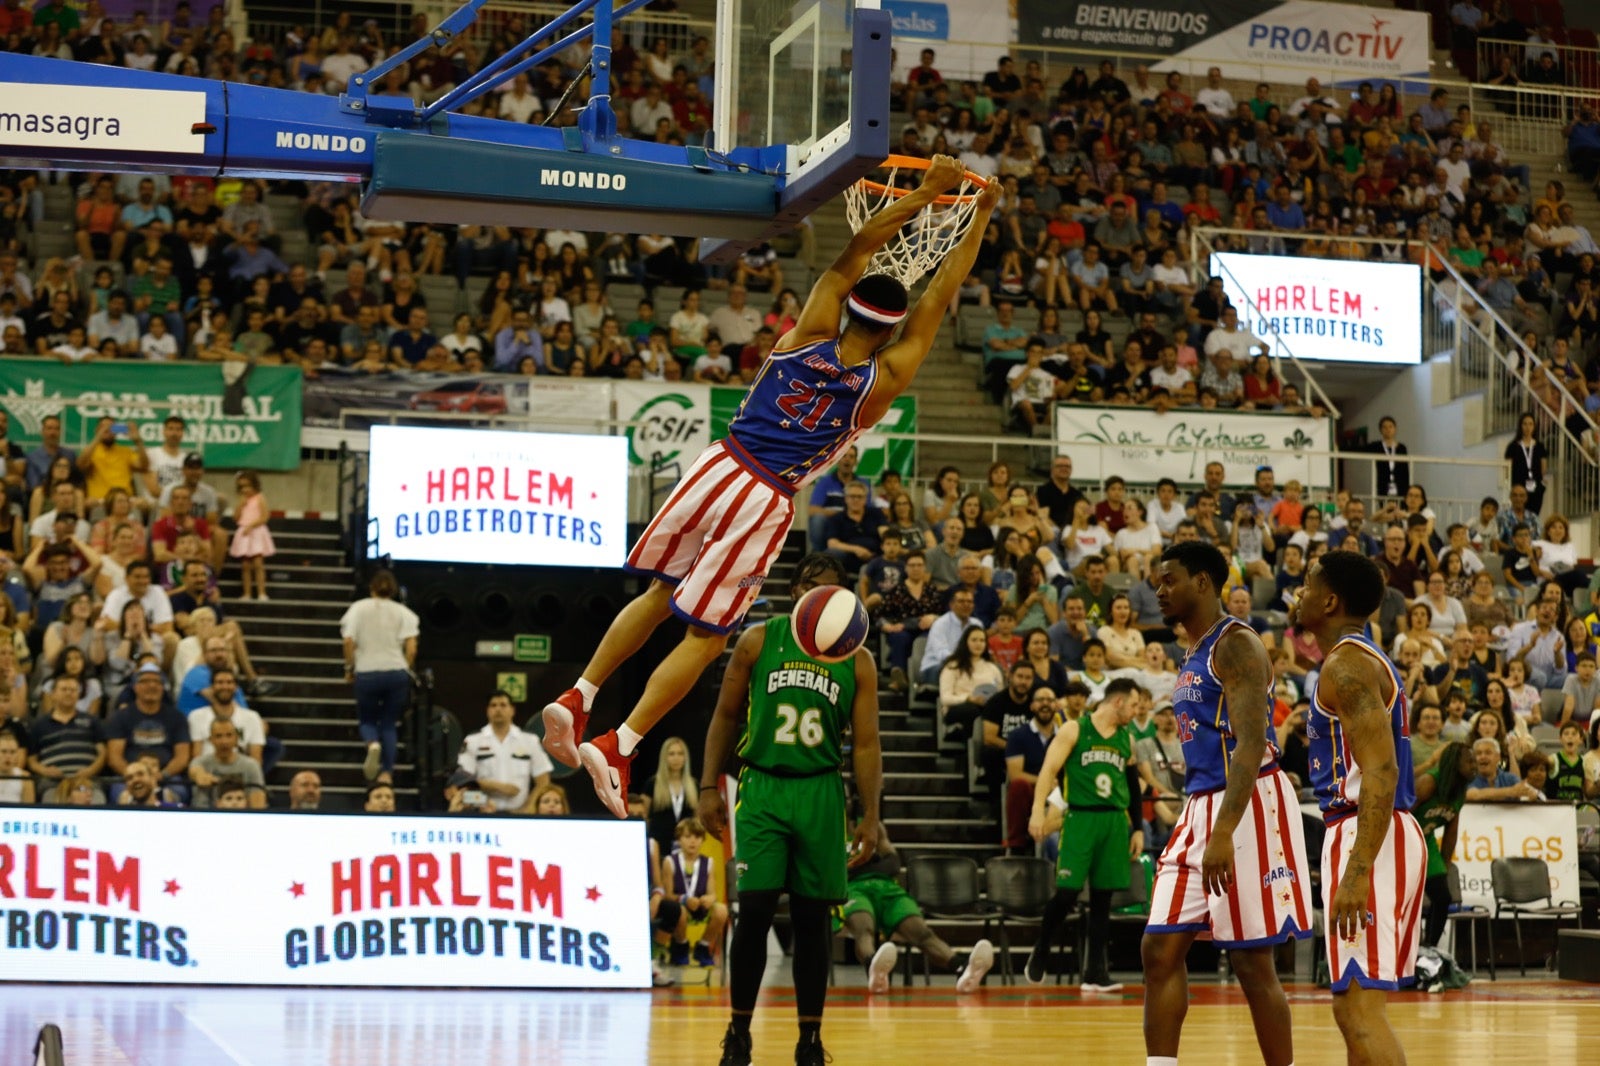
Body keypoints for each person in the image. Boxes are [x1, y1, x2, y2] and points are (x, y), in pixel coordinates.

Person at [542, 157, 1001, 819]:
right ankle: (621, 742)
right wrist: (975, 214)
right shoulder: (882, 381)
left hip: (718, 463)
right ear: (891, 331)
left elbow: (861, 247)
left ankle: (579, 695)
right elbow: (937, 296)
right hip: (764, 494)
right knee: (703, 637)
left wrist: (925, 195)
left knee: (659, 592)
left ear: (846, 305)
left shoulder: (809, 328)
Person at [698, 555, 883, 1066]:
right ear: (798, 590)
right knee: (753, 911)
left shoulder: (857, 658)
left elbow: (867, 746)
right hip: (763, 787)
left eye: (834, 589)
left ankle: (809, 1040)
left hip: (821, 790)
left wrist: (870, 814)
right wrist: (708, 785)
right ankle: (738, 1033)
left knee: (811, 920)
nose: (824, 597)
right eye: (815, 587)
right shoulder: (759, 640)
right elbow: (726, 714)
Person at [1144, 541, 1312, 1066]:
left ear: (1202, 582)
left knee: (1251, 962)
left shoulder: (1236, 644)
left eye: (1169, 579)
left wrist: (1222, 830)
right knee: (1159, 948)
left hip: (1246, 803)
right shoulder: (1191, 650)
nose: (1159, 589)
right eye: (1157, 581)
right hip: (1201, 803)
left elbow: (1250, 743)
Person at [1290, 551, 1425, 1062]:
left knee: (1359, 1011)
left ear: (1329, 600)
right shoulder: (1361, 657)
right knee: (1352, 1007)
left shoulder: (1346, 665)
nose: (1298, 593)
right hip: (1378, 830)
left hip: (1369, 832)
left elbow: (1381, 771)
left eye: (1306, 584)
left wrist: (1356, 871)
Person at [1026, 676, 1146, 989]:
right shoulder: (1074, 729)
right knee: (1066, 892)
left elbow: (1133, 787)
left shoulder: (1127, 739)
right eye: (1133, 704)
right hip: (1080, 818)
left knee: (1103, 900)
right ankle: (1041, 948)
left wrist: (1137, 828)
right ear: (1118, 701)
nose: (1137, 711)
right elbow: (1048, 771)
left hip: (1114, 822)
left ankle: (1095, 973)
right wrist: (1038, 810)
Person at [839, 806, 994, 994]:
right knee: (864, 930)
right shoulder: (831, 828)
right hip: (852, 889)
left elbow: (893, 863)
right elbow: (832, 870)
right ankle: (874, 969)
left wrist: (855, 866)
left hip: (887, 888)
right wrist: (871, 863)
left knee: (922, 933)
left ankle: (962, 969)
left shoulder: (872, 824)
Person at [340, 570, 419, 785]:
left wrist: (349, 667)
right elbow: (411, 648)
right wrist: (406, 667)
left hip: (367, 670)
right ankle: (386, 772)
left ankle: (372, 743)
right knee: (388, 723)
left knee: (367, 719)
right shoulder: (405, 613)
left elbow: (348, 641)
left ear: (371, 588)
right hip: (396, 671)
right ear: (393, 591)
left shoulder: (357, 609)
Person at [1412, 741, 1472, 949]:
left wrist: (1445, 864)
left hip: (1425, 841)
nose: (1474, 765)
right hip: (1404, 839)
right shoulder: (1429, 782)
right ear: (1455, 762)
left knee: (1443, 897)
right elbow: (1400, 814)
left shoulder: (1460, 790)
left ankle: (1430, 949)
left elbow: (1451, 831)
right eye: (1469, 761)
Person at [457, 689, 553, 813]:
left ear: (512, 710)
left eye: (503, 705)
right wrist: (498, 788)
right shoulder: (473, 741)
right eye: (493, 705)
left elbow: (543, 781)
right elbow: (463, 783)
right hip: (483, 812)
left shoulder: (529, 740)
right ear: (487, 710)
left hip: (521, 814)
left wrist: (528, 808)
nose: (498, 709)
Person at [661, 816, 728, 967]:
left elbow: (712, 893)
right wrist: (684, 899)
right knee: (679, 911)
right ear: (679, 839)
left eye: (697, 837)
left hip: (700, 906)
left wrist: (709, 899)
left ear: (703, 840)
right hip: (682, 906)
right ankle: (681, 945)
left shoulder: (708, 862)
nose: (693, 841)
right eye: (687, 837)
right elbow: (668, 895)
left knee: (721, 910)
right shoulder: (669, 861)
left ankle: (703, 947)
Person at [228, 470, 274, 600]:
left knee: (258, 564)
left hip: (256, 532)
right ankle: (247, 593)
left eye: (248, 486)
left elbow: (265, 516)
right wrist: (240, 506)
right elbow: (236, 518)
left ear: (255, 485)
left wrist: (251, 526)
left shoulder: (260, 498)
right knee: (245, 565)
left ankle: (261, 592)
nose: (245, 489)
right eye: (242, 487)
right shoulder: (241, 500)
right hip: (244, 533)